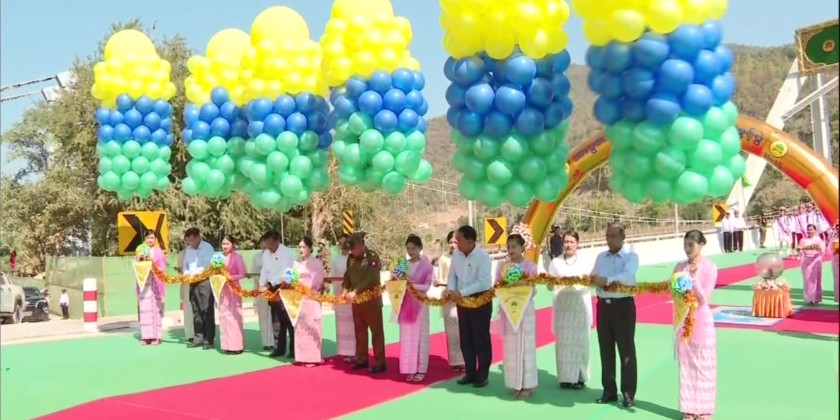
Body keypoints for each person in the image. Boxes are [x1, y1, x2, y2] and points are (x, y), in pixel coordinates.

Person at [591, 222, 640, 408]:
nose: (609, 240)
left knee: (626, 350)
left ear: (622, 237)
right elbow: (593, 275)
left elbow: (627, 277)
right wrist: (595, 280)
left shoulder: (631, 257)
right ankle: (609, 390)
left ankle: (628, 392)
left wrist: (606, 281)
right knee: (606, 349)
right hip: (604, 307)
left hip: (623, 306)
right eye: (607, 236)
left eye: (613, 236)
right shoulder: (600, 257)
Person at [674, 230, 719, 420]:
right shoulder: (679, 267)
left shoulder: (710, 267)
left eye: (691, 245)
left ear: (701, 245)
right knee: (686, 365)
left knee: (704, 365)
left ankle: (704, 410)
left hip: (702, 319)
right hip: (684, 319)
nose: (687, 249)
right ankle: (689, 409)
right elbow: (675, 291)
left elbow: (704, 298)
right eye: (685, 245)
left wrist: (693, 278)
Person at [446, 225, 493, 388]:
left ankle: (483, 374)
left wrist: (462, 292)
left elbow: (483, 282)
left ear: (471, 241)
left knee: (481, 338)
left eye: (459, 240)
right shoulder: (456, 256)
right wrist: (451, 290)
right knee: (465, 338)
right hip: (461, 301)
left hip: (480, 300)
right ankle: (470, 372)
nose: (456, 243)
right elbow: (452, 276)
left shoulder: (483, 257)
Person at [547, 230, 594, 390]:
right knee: (564, 343)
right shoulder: (556, 262)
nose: (568, 245)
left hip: (580, 306)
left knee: (580, 341)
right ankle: (566, 377)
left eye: (571, 242)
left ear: (577, 243)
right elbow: (550, 286)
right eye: (566, 242)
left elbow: (591, 282)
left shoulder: (585, 262)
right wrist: (551, 282)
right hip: (563, 308)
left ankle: (580, 377)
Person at [495, 234, 539, 399]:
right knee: (511, 347)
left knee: (526, 346)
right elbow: (497, 286)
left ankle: (527, 385)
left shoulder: (530, 267)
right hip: (509, 310)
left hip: (525, 310)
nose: (511, 250)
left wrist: (519, 284)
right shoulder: (502, 266)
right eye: (509, 247)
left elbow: (533, 290)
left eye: (514, 246)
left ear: (522, 248)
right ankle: (515, 384)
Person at [342, 232, 386, 373]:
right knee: (359, 332)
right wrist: (345, 289)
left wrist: (355, 291)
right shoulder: (350, 258)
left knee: (376, 332)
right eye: (351, 249)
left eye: (354, 248)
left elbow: (371, 278)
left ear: (361, 246)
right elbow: (347, 275)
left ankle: (380, 362)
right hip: (357, 303)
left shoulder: (372, 257)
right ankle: (361, 358)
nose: (352, 252)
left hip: (372, 302)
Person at [399, 234, 434, 382]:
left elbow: (427, 286)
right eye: (408, 248)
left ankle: (421, 369)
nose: (410, 251)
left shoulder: (427, 266)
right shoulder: (402, 264)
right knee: (407, 337)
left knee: (421, 337)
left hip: (420, 305)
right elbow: (396, 281)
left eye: (413, 248)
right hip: (406, 305)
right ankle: (409, 368)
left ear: (420, 248)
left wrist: (412, 285)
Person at [261, 230, 296, 358]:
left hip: (284, 288)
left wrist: (270, 284)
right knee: (276, 320)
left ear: (277, 241)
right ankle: (278, 348)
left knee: (289, 320)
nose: (268, 246)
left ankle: (293, 349)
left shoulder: (287, 253)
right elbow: (264, 270)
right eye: (266, 243)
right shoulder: (266, 253)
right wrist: (262, 284)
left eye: (269, 243)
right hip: (271, 290)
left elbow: (285, 272)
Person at [433, 231, 465, 372]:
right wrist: (438, 283)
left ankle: (466, 359)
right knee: (452, 331)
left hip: (462, 297)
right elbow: (441, 278)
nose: (453, 245)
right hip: (448, 298)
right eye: (450, 242)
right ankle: (455, 361)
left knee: (463, 330)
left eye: (455, 242)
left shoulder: (465, 258)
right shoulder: (443, 259)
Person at [293, 237, 326, 367]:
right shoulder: (296, 263)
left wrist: (304, 287)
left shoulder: (315, 263)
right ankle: (301, 356)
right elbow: (293, 278)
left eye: (303, 247)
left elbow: (317, 280)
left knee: (312, 325)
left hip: (311, 297)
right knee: (300, 327)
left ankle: (312, 357)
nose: (301, 249)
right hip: (299, 298)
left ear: (310, 248)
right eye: (299, 247)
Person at [184, 228, 216, 349]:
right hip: (192, 282)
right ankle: (198, 337)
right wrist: (187, 274)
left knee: (206, 310)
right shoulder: (188, 250)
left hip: (204, 281)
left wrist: (197, 275)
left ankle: (209, 339)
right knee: (196, 310)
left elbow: (208, 265)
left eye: (192, 240)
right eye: (188, 241)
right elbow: (186, 265)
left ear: (198, 237)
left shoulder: (207, 248)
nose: (190, 243)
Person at [136, 230, 167, 346]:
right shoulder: (140, 251)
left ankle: (156, 336)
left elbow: (162, 267)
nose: (150, 240)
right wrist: (142, 265)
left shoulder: (159, 252)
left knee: (155, 310)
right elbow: (136, 265)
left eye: (152, 238)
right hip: (144, 284)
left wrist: (154, 269)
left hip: (155, 284)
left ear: (155, 239)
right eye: (148, 238)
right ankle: (146, 336)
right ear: (145, 238)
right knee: (145, 310)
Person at [219, 235, 247, 355]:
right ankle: (226, 345)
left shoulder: (237, 257)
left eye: (227, 244)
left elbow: (242, 273)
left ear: (232, 245)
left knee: (234, 317)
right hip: (222, 290)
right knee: (223, 316)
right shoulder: (218, 258)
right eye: (223, 244)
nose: (225, 246)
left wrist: (229, 278)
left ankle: (236, 346)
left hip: (234, 289)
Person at [330, 234, 356, 362]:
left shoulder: (354, 258)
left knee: (353, 324)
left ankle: (355, 351)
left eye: (344, 243)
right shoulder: (335, 259)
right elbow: (333, 276)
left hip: (352, 295)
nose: (342, 246)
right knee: (342, 324)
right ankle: (345, 351)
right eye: (340, 243)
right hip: (340, 295)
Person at [251, 236, 273, 350]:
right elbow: (253, 273)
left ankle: (275, 341)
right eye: (262, 243)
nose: (264, 245)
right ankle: (266, 342)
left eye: (266, 242)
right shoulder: (257, 257)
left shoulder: (275, 256)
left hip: (273, 289)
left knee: (274, 316)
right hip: (261, 288)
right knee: (263, 315)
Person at [799, 224, 826, 305]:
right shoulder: (803, 240)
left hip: (816, 260)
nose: (809, 231)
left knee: (816, 279)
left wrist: (817, 249)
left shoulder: (818, 240)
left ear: (815, 230)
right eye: (808, 229)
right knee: (807, 280)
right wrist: (802, 250)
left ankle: (816, 298)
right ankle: (810, 298)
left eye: (811, 229)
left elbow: (822, 250)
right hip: (806, 261)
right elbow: (800, 249)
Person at [176, 246, 194, 342]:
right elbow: (180, 270)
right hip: (186, 284)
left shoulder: (201, 251)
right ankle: (190, 334)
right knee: (188, 309)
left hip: (200, 283)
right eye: (186, 241)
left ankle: (201, 333)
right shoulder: (182, 254)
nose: (189, 243)